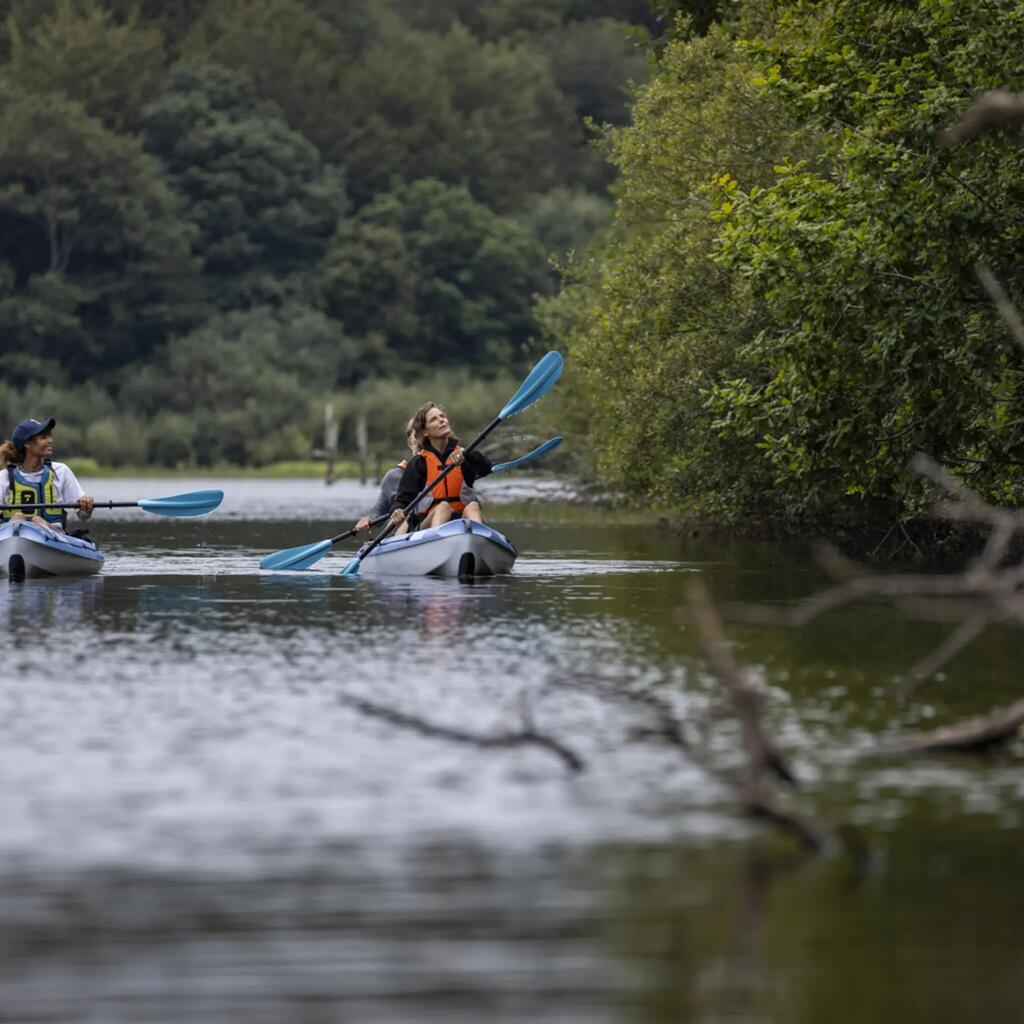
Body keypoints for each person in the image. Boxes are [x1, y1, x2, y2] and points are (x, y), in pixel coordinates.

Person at [390, 403, 491, 532]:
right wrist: (397, 510)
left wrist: (468, 455)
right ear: (425, 432)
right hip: (427, 526)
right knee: (443, 506)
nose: (441, 420)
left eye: (442, 416)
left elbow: (486, 468)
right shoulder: (419, 463)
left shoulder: (464, 456)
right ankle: (437, 541)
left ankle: (479, 539)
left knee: (473, 505)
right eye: (434, 419)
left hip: (461, 522)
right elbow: (403, 499)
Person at [0, 418, 94, 530]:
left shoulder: (61, 471)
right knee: (18, 517)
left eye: (49, 436)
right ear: (27, 444)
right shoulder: (4, 477)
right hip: (12, 534)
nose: (50, 440)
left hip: (53, 534)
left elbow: (83, 516)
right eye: (43, 437)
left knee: (37, 520)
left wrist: (87, 507)